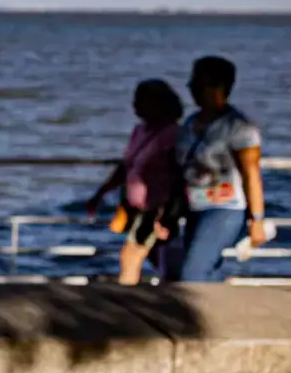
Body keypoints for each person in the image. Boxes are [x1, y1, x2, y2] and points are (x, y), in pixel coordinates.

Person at [171, 55, 268, 282]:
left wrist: (257, 220)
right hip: (194, 206)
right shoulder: (190, 123)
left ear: (217, 85)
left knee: (192, 273)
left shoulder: (240, 128)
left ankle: (191, 315)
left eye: (196, 83)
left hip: (225, 208)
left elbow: (251, 175)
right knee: (208, 272)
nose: (190, 88)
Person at [86, 79, 183, 284]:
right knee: (156, 256)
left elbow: (178, 173)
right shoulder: (139, 132)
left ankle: (126, 298)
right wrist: (101, 192)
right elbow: (127, 166)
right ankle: (180, 287)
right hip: (135, 205)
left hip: (156, 206)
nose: (135, 106)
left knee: (130, 255)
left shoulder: (172, 134)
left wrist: (169, 212)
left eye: (142, 101)